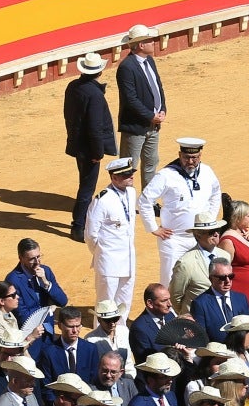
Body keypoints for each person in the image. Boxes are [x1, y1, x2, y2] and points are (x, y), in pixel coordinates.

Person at [140, 138, 222, 289]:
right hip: (174, 239)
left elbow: (216, 193)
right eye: (186, 157)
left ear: (200, 156)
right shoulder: (166, 175)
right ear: (179, 155)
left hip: (200, 238)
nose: (190, 161)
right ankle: (169, 312)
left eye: (194, 157)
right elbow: (145, 199)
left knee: (202, 278)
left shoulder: (207, 172)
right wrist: (153, 228)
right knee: (171, 280)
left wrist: (210, 218)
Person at [63, 51, 117, 239]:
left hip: (78, 144)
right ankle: (78, 226)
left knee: (84, 184)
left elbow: (69, 116)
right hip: (88, 148)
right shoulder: (94, 94)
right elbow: (95, 126)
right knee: (87, 187)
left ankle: (80, 223)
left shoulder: (72, 87)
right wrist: (98, 152)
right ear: (99, 72)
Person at [85, 156, 140, 312]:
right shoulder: (102, 200)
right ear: (114, 177)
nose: (131, 177)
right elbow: (90, 234)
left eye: (131, 173)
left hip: (128, 260)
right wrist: (102, 254)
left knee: (124, 302)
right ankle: (102, 334)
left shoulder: (131, 192)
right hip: (109, 261)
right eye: (125, 175)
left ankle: (121, 334)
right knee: (105, 304)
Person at [115, 23, 167, 186]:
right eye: (150, 40)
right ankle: (125, 202)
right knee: (128, 167)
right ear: (141, 45)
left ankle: (148, 201)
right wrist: (151, 115)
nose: (153, 42)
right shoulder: (126, 68)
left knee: (151, 163)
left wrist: (162, 109)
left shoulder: (150, 61)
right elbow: (130, 100)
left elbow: (158, 86)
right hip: (136, 127)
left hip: (153, 125)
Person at [221, 202, 249, 307]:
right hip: (238, 289)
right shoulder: (228, 240)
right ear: (238, 218)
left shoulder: (246, 233)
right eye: (248, 216)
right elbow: (223, 269)